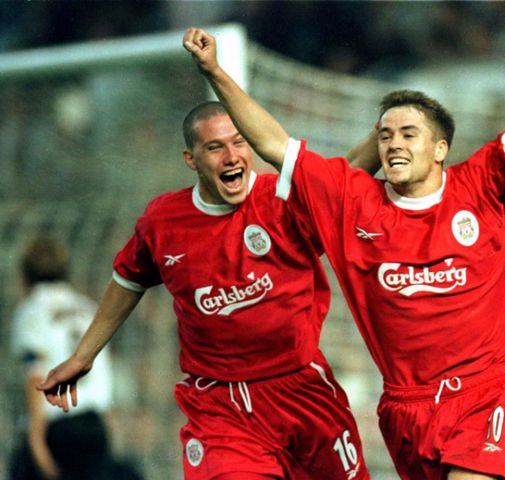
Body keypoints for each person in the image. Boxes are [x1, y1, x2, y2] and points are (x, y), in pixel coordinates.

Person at [181, 7, 505, 479]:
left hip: (482, 393)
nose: (394, 143)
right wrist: (215, 72)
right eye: (385, 135)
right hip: (405, 406)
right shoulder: (353, 202)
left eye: (408, 134)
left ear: (440, 148)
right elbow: (275, 145)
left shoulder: (483, 185)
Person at [38, 99, 379, 477]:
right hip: (221, 408)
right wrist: (83, 356)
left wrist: (383, 134)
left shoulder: (281, 200)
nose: (231, 157)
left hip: (303, 391)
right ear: (191, 159)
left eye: (239, 142)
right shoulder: (163, 222)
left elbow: (341, 182)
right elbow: (127, 280)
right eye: (215, 147)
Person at [9, 233, 120, 480]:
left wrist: (36, 441)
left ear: (24, 275)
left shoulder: (31, 311)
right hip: (93, 426)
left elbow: (35, 374)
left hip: (57, 429)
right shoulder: (88, 307)